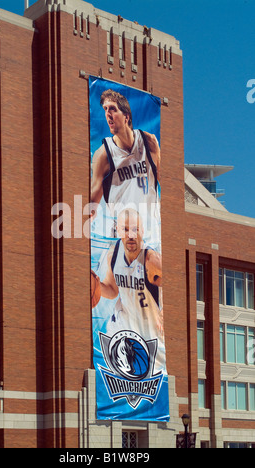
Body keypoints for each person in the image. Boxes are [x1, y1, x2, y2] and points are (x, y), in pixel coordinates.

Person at [91, 89, 161, 236]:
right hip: (120, 233)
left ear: (126, 117)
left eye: (112, 109)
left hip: (149, 231)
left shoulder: (149, 143)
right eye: (105, 109)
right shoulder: (103, 154)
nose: (108, 114)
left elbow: (162, 184)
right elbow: (91, 206)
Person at [93, 209, 163, 340]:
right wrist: (95, 286)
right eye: (125, 229)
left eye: (135, 229)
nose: (131, 235)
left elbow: (176, 285)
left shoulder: (151, 260)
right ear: (118, 231)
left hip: (148, 329)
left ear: (142, 230)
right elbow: (113, 290)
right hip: (121, 326)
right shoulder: (113, 254)